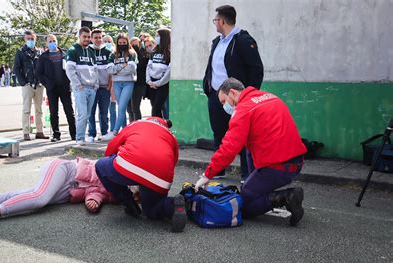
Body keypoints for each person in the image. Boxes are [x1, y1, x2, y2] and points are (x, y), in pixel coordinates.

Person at [195, 78, 307, 226]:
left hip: (278, 166)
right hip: (295, 161)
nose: (224, 106)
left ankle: (286, 197)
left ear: (233, 93)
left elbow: (229, 148)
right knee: (248, 146)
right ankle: (255, 186)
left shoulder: (243, 110)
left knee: (243, 205)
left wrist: (207, 175)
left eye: (223, 102)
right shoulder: (270, 97)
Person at [0, 157, 115, 228]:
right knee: (39, 198)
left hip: (65, 192)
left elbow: (96, 193)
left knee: (20, 196)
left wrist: (95, 202)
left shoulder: (118, 193)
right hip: (65, 170)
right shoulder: (113, 165)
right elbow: (98, 165)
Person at [202, 5, 264, 180]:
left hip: (238, 99)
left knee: (243, 136)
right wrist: (208, 87)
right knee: (219, 133)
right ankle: (218, 170)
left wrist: (249, 96)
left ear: (222, 21)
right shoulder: (217, 42)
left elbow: (256, 70)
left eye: (216, 20)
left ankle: (247, 174)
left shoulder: (243, 40)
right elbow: (212, 67)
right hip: (216, 95)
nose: (215, 23)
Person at [95, 117, 187, 232]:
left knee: (100, 166)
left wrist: (114, 159)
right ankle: (172, 205)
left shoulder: (137, 124)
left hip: (128, 166)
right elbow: (172, 162)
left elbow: (111, 148)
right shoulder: (170, 136)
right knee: (151, 210)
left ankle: (128, 202)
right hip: (159, 178)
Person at [37, 34, 76, 142]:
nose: (52, 43)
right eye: (50, 41)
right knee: (53, 112)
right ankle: (56, 134)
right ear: (46, 43)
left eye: (54, 40)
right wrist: (47, 83)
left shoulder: (65, 54)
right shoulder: (43, 57)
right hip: (52, 88)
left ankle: (74, 134)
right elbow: (39, 73)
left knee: (69, 111)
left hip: (64, 87)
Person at [65, 26, 99, 145]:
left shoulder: (91, 51)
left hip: (92, 88)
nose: (87, 39)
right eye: (84, 36)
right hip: (81, 88)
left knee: (88, 115)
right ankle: (79, 138)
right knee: (82, 114)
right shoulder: (73, 50)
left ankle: (82, 137)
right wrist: (78, 86)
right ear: (79, 36)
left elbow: (95, 71)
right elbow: (69, 70)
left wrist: (96, 86)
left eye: (88, 37)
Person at [101, 33, 138, 141]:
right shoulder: (113, 54)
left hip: (128, 83)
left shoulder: (132, 53)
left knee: (121, 107)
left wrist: (117, 69)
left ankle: (115, 132)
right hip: (116, 83)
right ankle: (124, 131)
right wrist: (123, 66)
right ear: (117, 43)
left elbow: (131, 69)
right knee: (120, 108)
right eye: (120, 43)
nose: (122, 44)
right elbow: (109, 70)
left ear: (127, 43)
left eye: (124, 42)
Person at [14, 30, 49, 141]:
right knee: (26, 109)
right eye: (28, 39)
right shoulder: (20, 52)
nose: (30, 41)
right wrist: (23, 82)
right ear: (24, 39)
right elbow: (17, 68)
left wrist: (43, 81)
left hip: (39, 85)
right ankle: (26, 132)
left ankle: (39, 131)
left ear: (35, 39)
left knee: (39, 109)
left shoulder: (39, 52)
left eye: (32, 39)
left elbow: (43, 67)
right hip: (27, 84)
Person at [87, 29, 112, 143]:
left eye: (99, 37)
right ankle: (91, 134)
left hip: (104, 87)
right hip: (92, 88)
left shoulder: (108, 51)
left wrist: (109, 85)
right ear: (91, 39)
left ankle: (104, 133)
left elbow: (111, 71)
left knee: (104, 113)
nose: (98, 40)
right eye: (95, 37)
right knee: (90, 112)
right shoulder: (87, 51)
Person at [146, 28, 171, 118]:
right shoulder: (154, 51)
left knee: (156, 108)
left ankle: (161, 128)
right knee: (154, 108)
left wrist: (158, 83)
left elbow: (169, 71)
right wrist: (149, 81)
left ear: (164, 37)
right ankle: (159, 128)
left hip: (162, 85)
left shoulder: (170, 52)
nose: (155, 38)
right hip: (152, 84)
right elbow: (148, 67)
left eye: (157, 36)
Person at [126, 36, 149, 122]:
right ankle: (132, 124)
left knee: (135, 106)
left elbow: (141, 67)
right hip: (129, 82)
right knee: (129, 108)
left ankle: (137, 125)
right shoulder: (128, 54)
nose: (135, 45)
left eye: (137, 44)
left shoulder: (144, 55)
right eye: (133, 44)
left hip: (139, 83)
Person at [103, 35, 117, 132]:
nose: (107, 43)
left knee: (112, 109)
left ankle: (113, 129)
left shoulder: (114, 54)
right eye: (105, 41)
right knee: (103, 110)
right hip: (102, 85)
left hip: (113, 85)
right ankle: (104, 130)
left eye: (109, 41)